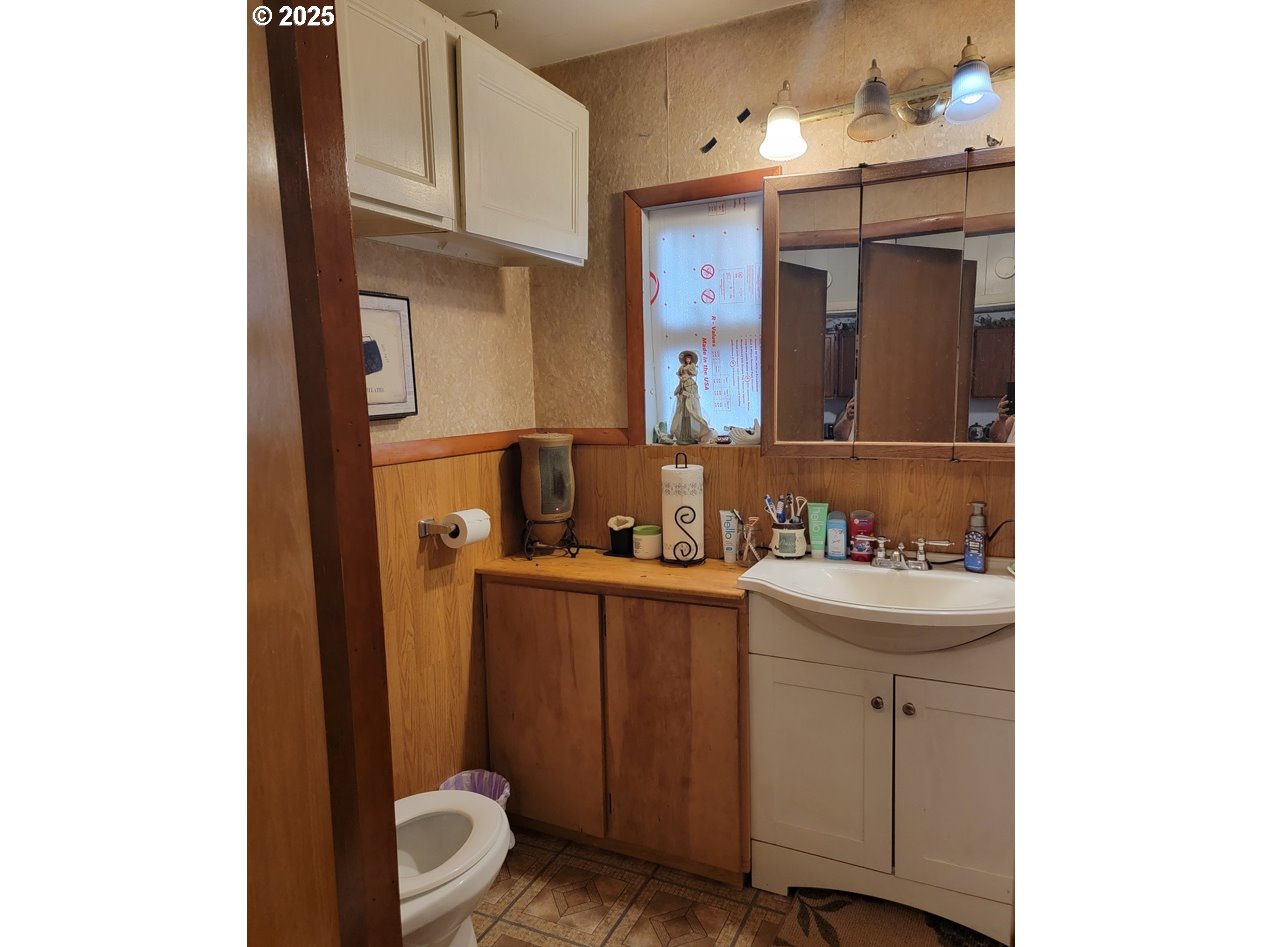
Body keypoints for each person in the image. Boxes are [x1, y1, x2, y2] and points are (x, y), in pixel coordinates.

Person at [669, 350, 713, 444]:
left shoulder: (691, 368)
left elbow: (694, 373)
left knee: (691, 411)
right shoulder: (682, 368)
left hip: (689, 388)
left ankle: (691, 434)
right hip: (682, 387)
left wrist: (687, 375)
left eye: (689, 358)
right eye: (686, 358)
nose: (688, 360)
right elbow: (680, 374)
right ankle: (682, 434)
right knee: (681, 411)